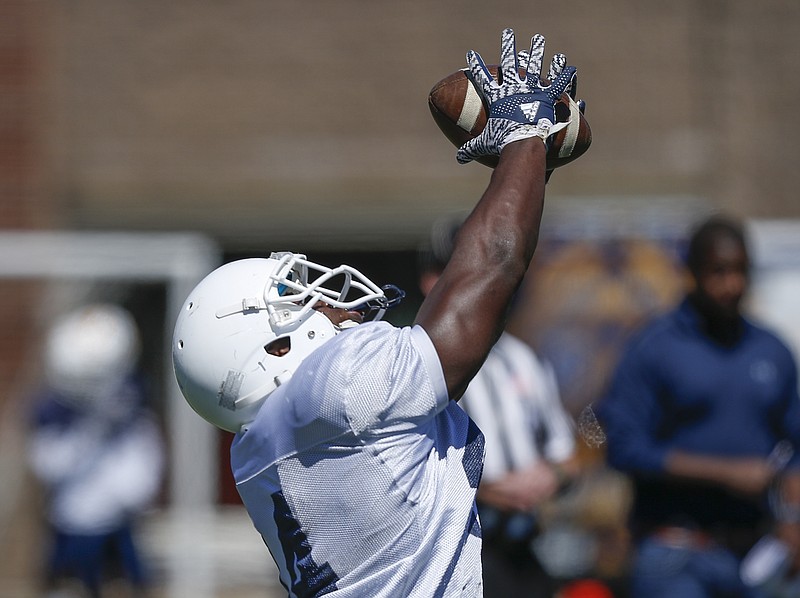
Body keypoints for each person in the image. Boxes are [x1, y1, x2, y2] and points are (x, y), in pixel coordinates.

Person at [172, 28, 578, 597]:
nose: (324, 300)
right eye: (296, 299)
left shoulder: (257, 451)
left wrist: (527, 173)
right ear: (274, 349)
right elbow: (491, 266)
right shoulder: (337, 390)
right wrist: (525, 137)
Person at [596, 215, 800, 598]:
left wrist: (793, 513)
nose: (732, 284)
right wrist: (725, 473)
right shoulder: (653, 348)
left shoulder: (772, 350)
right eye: (718, 272)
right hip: (675, 554)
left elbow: (794, 444)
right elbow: (624, 450)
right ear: (690, 272)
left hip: (755, 552)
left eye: (741, 271)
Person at [418, 214, 580, 597]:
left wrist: (547, 479)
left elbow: (568, 459)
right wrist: (490, 491)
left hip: (522, 546)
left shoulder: (522, 358)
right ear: (431, 281)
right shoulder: (415, 368)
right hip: (452, 553)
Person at [28, 303, 164, 598]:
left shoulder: (131, 413)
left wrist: (120, 497)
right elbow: (47, 465)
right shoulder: (54, 414)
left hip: (116, 529)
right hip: (69, 531)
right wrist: (90, 433)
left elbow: (141, 475)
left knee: (123, 586)